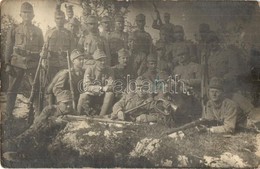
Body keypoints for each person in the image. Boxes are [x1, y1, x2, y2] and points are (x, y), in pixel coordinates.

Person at [2, 90, 77, 162]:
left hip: (51, 138)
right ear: (59, 103)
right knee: (14, 142)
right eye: (66, 103)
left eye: (70, 103)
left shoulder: (73, 113)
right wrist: (54, 122)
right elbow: (38, 125)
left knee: (45, 150)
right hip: (36, 132)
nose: (69, 106)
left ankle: (21, 155)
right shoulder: (50, 109)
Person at [4, 2, 44, 121]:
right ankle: (8, 115)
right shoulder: (14, 29)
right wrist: (7, 63)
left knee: (35, 88)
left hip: (32, 63)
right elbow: (8, 47)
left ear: (33, 15)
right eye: (24, 12)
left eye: (29, 13)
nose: (27, 15)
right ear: (20, 14)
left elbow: (42, 47)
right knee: (12, 89)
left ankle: (37, 115)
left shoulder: (38, 31)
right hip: (17, 63)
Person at [40, 9, 76, 82]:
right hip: (52, 63)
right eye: (57, 18)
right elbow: (45, 49)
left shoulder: (69, 34)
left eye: (62, 18)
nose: (60, 20)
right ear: (54, 20)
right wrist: (43, 60)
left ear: (64, 19)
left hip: (65, 63)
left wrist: (72, 64)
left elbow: (73, 51)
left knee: (63, 84)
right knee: (50, 84)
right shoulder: (49, 33)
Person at [77, 49, 114, 116]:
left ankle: (101, 116)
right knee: (83, 96)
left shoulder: (109, 70)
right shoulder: (90, 69)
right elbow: (86, 86)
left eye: (104, 60)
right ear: (95, 61)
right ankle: (78, 116)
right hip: (92, 96)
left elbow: (111, 85)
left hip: (103, 96)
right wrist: (101, 88)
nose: (103, 62)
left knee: (110, 94)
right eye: (100, 60)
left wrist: (106, 88)